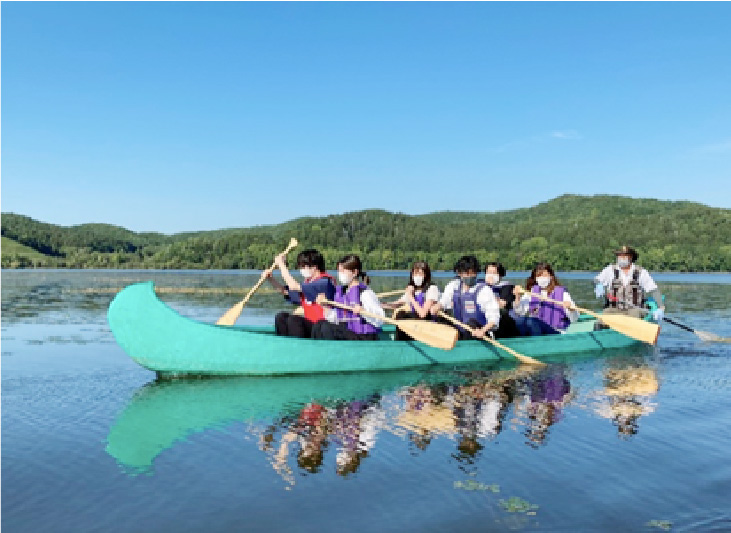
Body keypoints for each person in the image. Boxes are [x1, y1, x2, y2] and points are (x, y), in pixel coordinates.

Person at [267, 249, 336, 338]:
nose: (301, 269)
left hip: (321, 327)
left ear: (314, 267)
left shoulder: (325, 282)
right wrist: (270, 279)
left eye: (303, 266)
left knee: (294, 320)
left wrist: (281, 265)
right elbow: (285, 291)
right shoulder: (307, 283)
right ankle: (284, 344)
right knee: (281, 317)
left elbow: (293, 286)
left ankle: (299, 346)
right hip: (310, 325)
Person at [312, 254, 384, 340]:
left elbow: (380, 319)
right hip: (349, 332)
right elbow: (336, 318)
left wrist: (363, 311)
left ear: (354, 272)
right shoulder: (341, 292)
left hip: (364, 336)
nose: (340, 274)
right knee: (319, 324)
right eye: (339, 271)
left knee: (326, 327)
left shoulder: (365, 293)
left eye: (343, 271)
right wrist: (325, 307)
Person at [430, 255, 500, 340]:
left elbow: (494, 317)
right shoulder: (454, 286)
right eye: (467, 273)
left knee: (471, 323)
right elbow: (444, 300)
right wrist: (437, 306)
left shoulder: (484, 290)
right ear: (460, 273)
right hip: (460, 331)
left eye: (473, 273)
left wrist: (482, 330)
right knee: (439, 319)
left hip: (480, 333)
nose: (470, 276)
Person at [594, 245, 665, 321]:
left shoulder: (641, 272)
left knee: (634, 315)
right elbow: (596, 280)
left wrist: (661, 308)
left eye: (624, 256)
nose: (621, 258)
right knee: (602, 319)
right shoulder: (610, 270)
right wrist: (598, 285)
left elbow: (654, 290)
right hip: (614, 309)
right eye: (619, 255)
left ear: (630, 257)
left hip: (635, 310)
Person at [513, 262, 579, 335]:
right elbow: (520, 312)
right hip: (536, 329)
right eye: (539, 276)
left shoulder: (562, 293)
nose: (541, 278)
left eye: (544, 275)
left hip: (556, 331)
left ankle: (538, 342)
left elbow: (574, 319)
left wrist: (571, 309)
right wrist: (517, 297)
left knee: (531, 322)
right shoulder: (532, 292)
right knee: (520, 321)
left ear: (551, 276)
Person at [382, 261, 441, 341]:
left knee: (403, 316)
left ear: (426, 275)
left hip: (427, 325)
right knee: (400, 315)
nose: (417, 276)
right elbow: (397, 304)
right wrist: (382, 305)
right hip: (415, 325)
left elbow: (423, 314)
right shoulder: (413, 290)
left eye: (420, 274)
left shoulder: (432, 289)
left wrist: (411, 296)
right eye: (415, 274)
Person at [484, 261, 519, 339]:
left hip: (503, 320)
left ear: (500, 275)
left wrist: (489, 288)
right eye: (489, 272)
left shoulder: (507, 287)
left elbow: (502, 304)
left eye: (494, 273)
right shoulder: (480, 286)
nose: (491, 275)